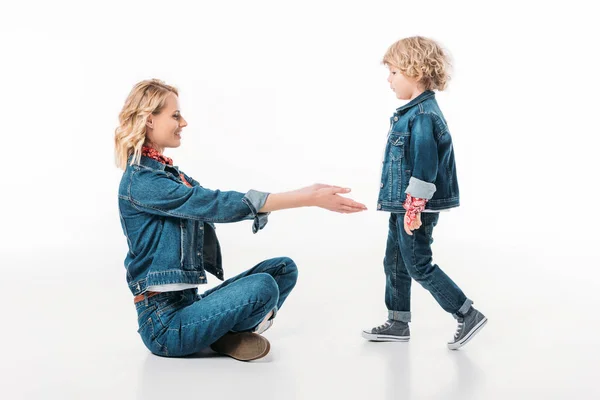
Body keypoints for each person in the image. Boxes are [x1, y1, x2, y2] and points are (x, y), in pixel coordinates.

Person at [115, 79, 367, 361]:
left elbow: (213, 199)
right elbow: (214, 204)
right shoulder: (142, 182)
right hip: (164, 326)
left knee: (283, 269)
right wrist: (306, 197)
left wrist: (304, 196)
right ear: (150, 120)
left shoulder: (169, 175)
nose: (183, 122)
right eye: (175, 115)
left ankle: (221, 336)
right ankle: (224, 335)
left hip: (188, 304)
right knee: (262, 287)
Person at [361, 37, 487, 350]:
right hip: (400, 206)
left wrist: (414, 209)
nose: (388, 80)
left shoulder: (422, 117)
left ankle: (466, 313)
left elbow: (425, 167)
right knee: (394, 261)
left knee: (418, 263)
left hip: (414, 208)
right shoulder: (410, 113)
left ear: (414, 72)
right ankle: (397, 321)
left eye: (393, 72)